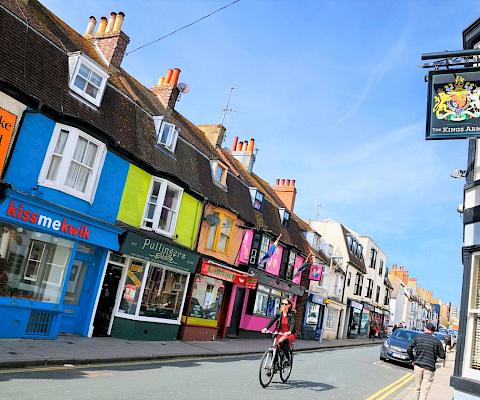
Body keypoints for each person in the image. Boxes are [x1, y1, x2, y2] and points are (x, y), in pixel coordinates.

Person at [407, 322, 446, 400]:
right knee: (424, 392)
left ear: (426, 329)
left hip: (418, 366)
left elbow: (409, 349)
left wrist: (413, 359)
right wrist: (435, 352)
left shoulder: (418, 338)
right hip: (429, 368)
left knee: (417, 388)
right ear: (432, 331)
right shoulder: (437, 341)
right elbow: (442, 355)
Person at [261, 298, 296, 364]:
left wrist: (289, 332)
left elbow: (292, 324)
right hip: (280, 333)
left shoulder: (291, 314)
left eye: (285, 304)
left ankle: (287, 357)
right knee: (275, 347)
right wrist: (266, 328)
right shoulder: (279, 313)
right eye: (282, 304)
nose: (284, 305)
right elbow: (272, 321)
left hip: (289, 334)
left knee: (281, 342)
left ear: (289, 305)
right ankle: (274, 365)